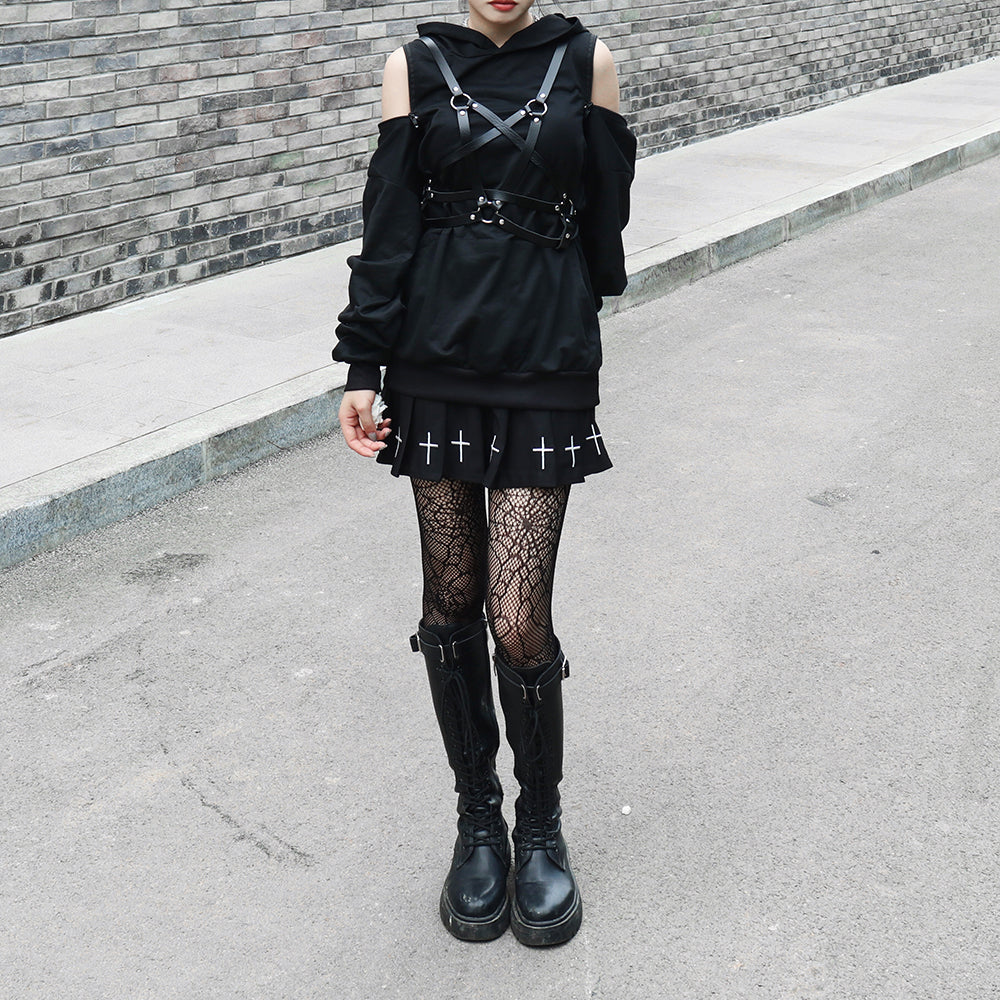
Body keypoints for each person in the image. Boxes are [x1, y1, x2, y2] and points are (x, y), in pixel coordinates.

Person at [333, 0, 635, 947]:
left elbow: (607, 220)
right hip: (435, 362)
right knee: (450, 601)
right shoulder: (413, 67)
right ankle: (478, 823)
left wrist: (572, 299)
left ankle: (540, 825)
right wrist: (363, 365)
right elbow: (389, 225)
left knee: (518, 616)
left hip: (543, 363)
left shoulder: (587, 61)